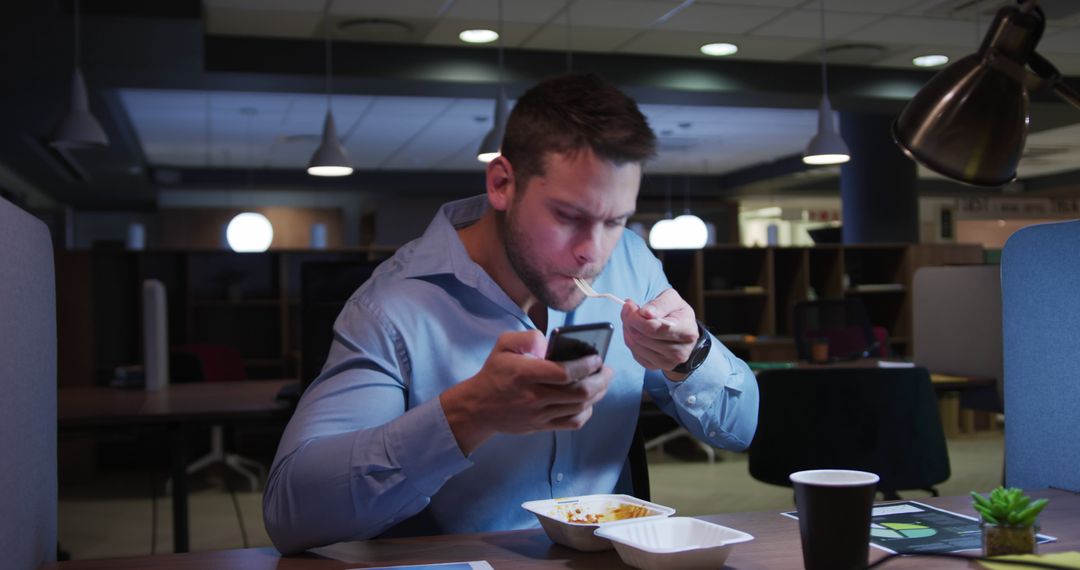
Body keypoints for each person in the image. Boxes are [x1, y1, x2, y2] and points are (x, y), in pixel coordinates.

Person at [263, 73, 759, 554]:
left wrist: (689, 357)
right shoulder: (391, 305)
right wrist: (469, 414)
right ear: (502, 184)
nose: (595, 252)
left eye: (615, 220)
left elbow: (741, 429)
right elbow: (289, 514)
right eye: (568, 217)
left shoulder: (632, 261)